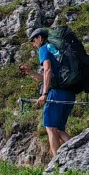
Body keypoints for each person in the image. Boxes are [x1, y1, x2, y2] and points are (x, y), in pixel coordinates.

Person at [24, 27, 75, 156]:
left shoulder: (44, 48)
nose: (33, 44)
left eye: (33, 40)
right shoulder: (57, 50)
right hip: (69, 92)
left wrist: (44, 94)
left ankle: (56, 165)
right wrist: (30, 73)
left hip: (56, 93)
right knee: (58, 129)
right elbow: (49, 78)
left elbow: (47, 70)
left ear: (40, 38)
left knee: (51, 128)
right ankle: (78, 154)